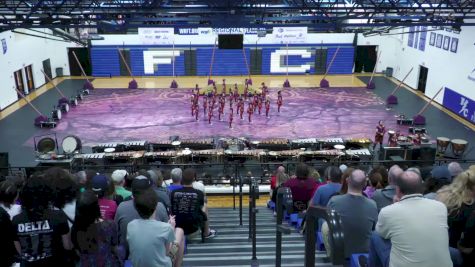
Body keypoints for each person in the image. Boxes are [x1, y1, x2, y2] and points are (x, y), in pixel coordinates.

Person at [369, 170, 452, 267]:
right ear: (421, 188)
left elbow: (382, 233)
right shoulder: (441, 207)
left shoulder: (388, 211)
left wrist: (395, 205)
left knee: (375, 235)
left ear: (398, 190)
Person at [13, 174, 73, 266]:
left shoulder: (16, 220)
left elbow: (19, 251)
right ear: (47, 194)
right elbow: (67, 246)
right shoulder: (58, 216)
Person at [322, 169, 378, 259]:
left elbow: (327, 222)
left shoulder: (334, 201)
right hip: (363, 254)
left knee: (324, 224)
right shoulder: (372, 205)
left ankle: (330, 255)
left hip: (338, 252)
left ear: (347, 180)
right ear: (364, 184)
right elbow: (375, 229)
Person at [127, 188, 184, 267]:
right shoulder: (166, 228)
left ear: (136, 208)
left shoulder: (130, 225)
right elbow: (167, 253)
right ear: (156, 206)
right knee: (180, 231)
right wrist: (171, 227)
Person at [114, 176, 168, 255]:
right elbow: (167, 237)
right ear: (150, 191)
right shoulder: (159, 206)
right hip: (155, 254)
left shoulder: (121, 206)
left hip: (128, 254)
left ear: (132, 191)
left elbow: (116, 232)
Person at [72, 190, 122, 267]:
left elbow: (77, 251)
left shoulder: (74, 228)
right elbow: (114, 247)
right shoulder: (109, 225)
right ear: (96, 208)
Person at [437, 167, 475, 253]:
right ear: (473, 187)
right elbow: (468, 240)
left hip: (438, 245)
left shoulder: (442, 196)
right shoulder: (470, 207)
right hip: (457, 250)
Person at [171, 168, 216, 238]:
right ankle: (206, 233)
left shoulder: (173, 193)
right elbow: (201, 210)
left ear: (182, 178)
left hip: (176, 229)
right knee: (205, 206)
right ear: (194, 179)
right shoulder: (199, 193)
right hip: (193, 229)